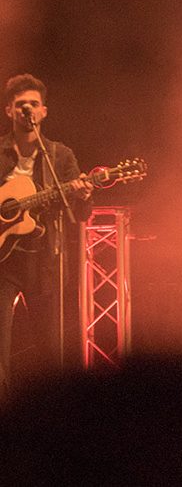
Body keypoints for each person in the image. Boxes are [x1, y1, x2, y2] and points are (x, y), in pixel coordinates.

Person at [0, 73, 92, 392]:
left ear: (44, 112)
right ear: (9, 110)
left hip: (44, 261)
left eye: (34, 104)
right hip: (3, 265)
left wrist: (83, 194)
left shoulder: (59, 156)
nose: (28, 109)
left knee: (47, 352)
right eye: (21, 104)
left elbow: (80, 215)